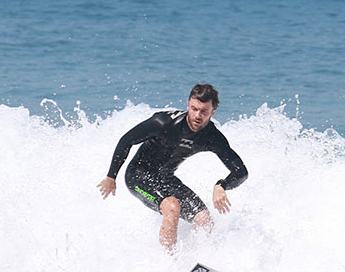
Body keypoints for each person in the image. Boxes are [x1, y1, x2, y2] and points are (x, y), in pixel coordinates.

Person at [97, 84, 248, 250]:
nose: (197, 115)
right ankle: (169, 262)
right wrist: (111, 176)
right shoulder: (164, 123)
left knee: (204, 219)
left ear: (213, 112)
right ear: (188, 105)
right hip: (138, 176)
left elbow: (241, 171)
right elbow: (126, 140)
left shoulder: (212, 137)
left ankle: (197, 262)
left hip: (166, 178)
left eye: (204, 111)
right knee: (172, 207)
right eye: (194, 108)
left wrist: (222, 185)